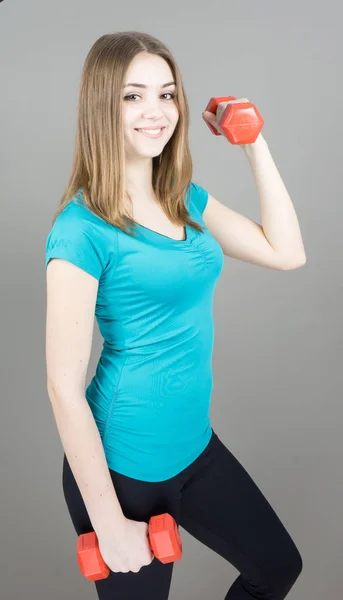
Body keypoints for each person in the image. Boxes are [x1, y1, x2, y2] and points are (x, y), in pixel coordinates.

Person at [45, 31, 306, 600]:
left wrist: (252, 143)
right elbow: (64, 389)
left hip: (194, 448)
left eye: (167, 94)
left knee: (276, 568)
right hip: (123, 469)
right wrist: (109, 523)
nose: (156, 111)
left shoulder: (182, 196)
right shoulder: (80, 230)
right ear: (101, 107)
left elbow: (286, 253)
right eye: (133, 96)